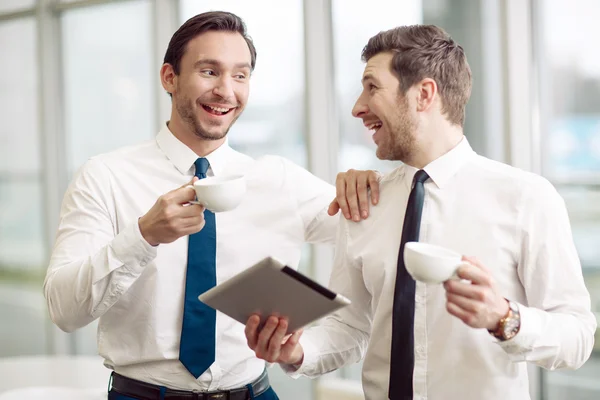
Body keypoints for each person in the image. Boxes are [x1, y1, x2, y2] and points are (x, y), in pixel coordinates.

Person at [244, 25, 597, 400]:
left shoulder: (526, 198)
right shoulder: (364, 203)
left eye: (372, 87)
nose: (357, 107)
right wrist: (298, 351)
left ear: (424, 94)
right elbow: (351, 327)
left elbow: (577, 337)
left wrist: (505, 318)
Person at [43, 11, 379, 400]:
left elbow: (379, 235)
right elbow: (64, 310)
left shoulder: (281, 181)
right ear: (170, 77)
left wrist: (369, 185)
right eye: (209, 72)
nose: (226, 91)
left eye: (240, 75)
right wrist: (142, 236)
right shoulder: (104, 176)